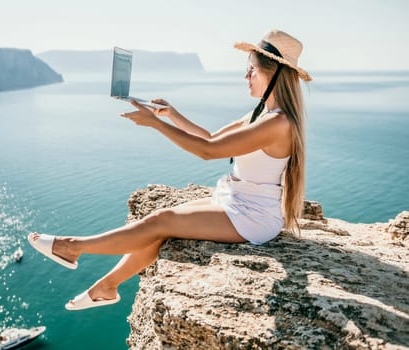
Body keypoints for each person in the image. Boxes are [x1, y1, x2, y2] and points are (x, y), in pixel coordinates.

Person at [28, 29, 311, 311]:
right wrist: (172, 115)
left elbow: (208, 152)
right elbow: (211, 138)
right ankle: (107, 287)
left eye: (252, 71)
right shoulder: (260, 114)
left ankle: (72, 247)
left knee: (162, 220)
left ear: (273, 75)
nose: (245, 77)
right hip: (237, 199)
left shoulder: (277, 124)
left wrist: (155, 124)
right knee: (159, 224)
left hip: (253, 217)